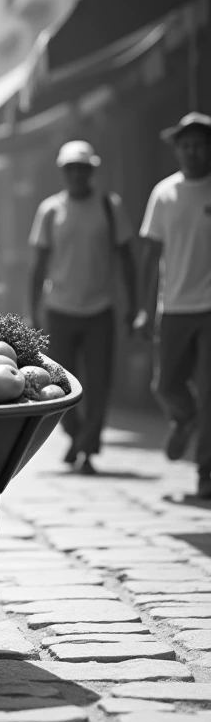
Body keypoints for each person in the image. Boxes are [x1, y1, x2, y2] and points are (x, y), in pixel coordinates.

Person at [29, 140, 137, 475]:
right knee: (61, 382)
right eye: (71, 169)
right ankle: (75, 434)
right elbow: (39, 263)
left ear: (91, 172)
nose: (77, 175)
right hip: (59, 308)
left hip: (100, 309)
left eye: (83, 169)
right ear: (63, 173)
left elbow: (127, 258)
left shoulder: (108, 206)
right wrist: (32, 308)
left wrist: (134, 305)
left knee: (99, 381)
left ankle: (88, 447)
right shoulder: (50, 209)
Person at [137, 112, 211, 498]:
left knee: (209, 388)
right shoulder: (164, 194)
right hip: (174, 305)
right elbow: (150, 257)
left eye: (199, 144)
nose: (193, 151)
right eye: (186, 145)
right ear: (177, 150)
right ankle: (183, 418)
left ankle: (206, 472)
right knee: (165, 385)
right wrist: (145, 308)